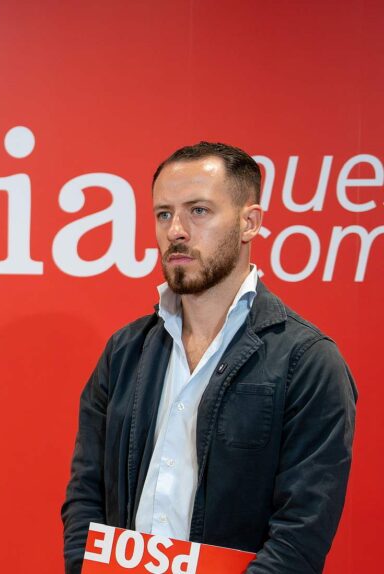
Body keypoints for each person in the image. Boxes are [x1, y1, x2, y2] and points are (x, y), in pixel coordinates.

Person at [61, 142, 357, 573]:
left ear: (249, 223)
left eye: (198, 211)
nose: (176, 230)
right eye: (164, 214)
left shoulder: (307, 361)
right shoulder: (124, 352)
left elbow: (300, 534)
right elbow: (85, 496)